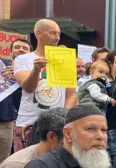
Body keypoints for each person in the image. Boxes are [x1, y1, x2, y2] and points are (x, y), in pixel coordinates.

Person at [13, 18, 77, 152]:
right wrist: (36, 70)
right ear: (38, 33)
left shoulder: (65, 60)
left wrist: (63, 117)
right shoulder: (23, 59)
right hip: (29, 125)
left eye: (59, 34)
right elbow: (28, 88)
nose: (57, 37)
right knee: (26, 166)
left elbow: (71, 95)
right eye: (53, 33)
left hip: (56, 127)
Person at [0, 37, 32, 163]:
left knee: (4, 163)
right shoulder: (3, 66)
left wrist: (19, 76)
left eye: (25, 48)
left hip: (10, 124)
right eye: (17, 47)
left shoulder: (35, 71)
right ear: (10, 51)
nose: (21, 50)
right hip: (10, 123)